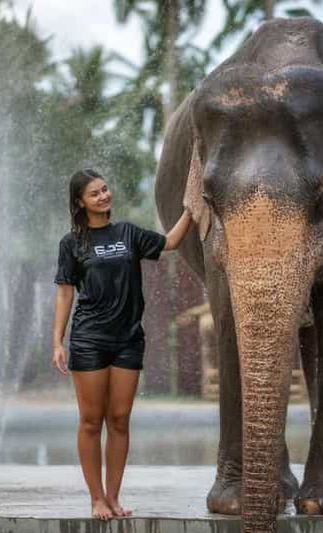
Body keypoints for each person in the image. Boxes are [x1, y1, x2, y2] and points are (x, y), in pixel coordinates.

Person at [51, 168, 192, 520]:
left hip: (129, 339)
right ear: (80, 202)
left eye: (105, 189)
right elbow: (65, 292)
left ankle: (113, 498)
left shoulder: (128, 233)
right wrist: (57, 341)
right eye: (95, 193)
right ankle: (95, 498)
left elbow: (170, 242)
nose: (104, 196)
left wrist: (191, 210)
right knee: (90, 421)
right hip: (89, 340)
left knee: (119, 419)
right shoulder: (72, 244)